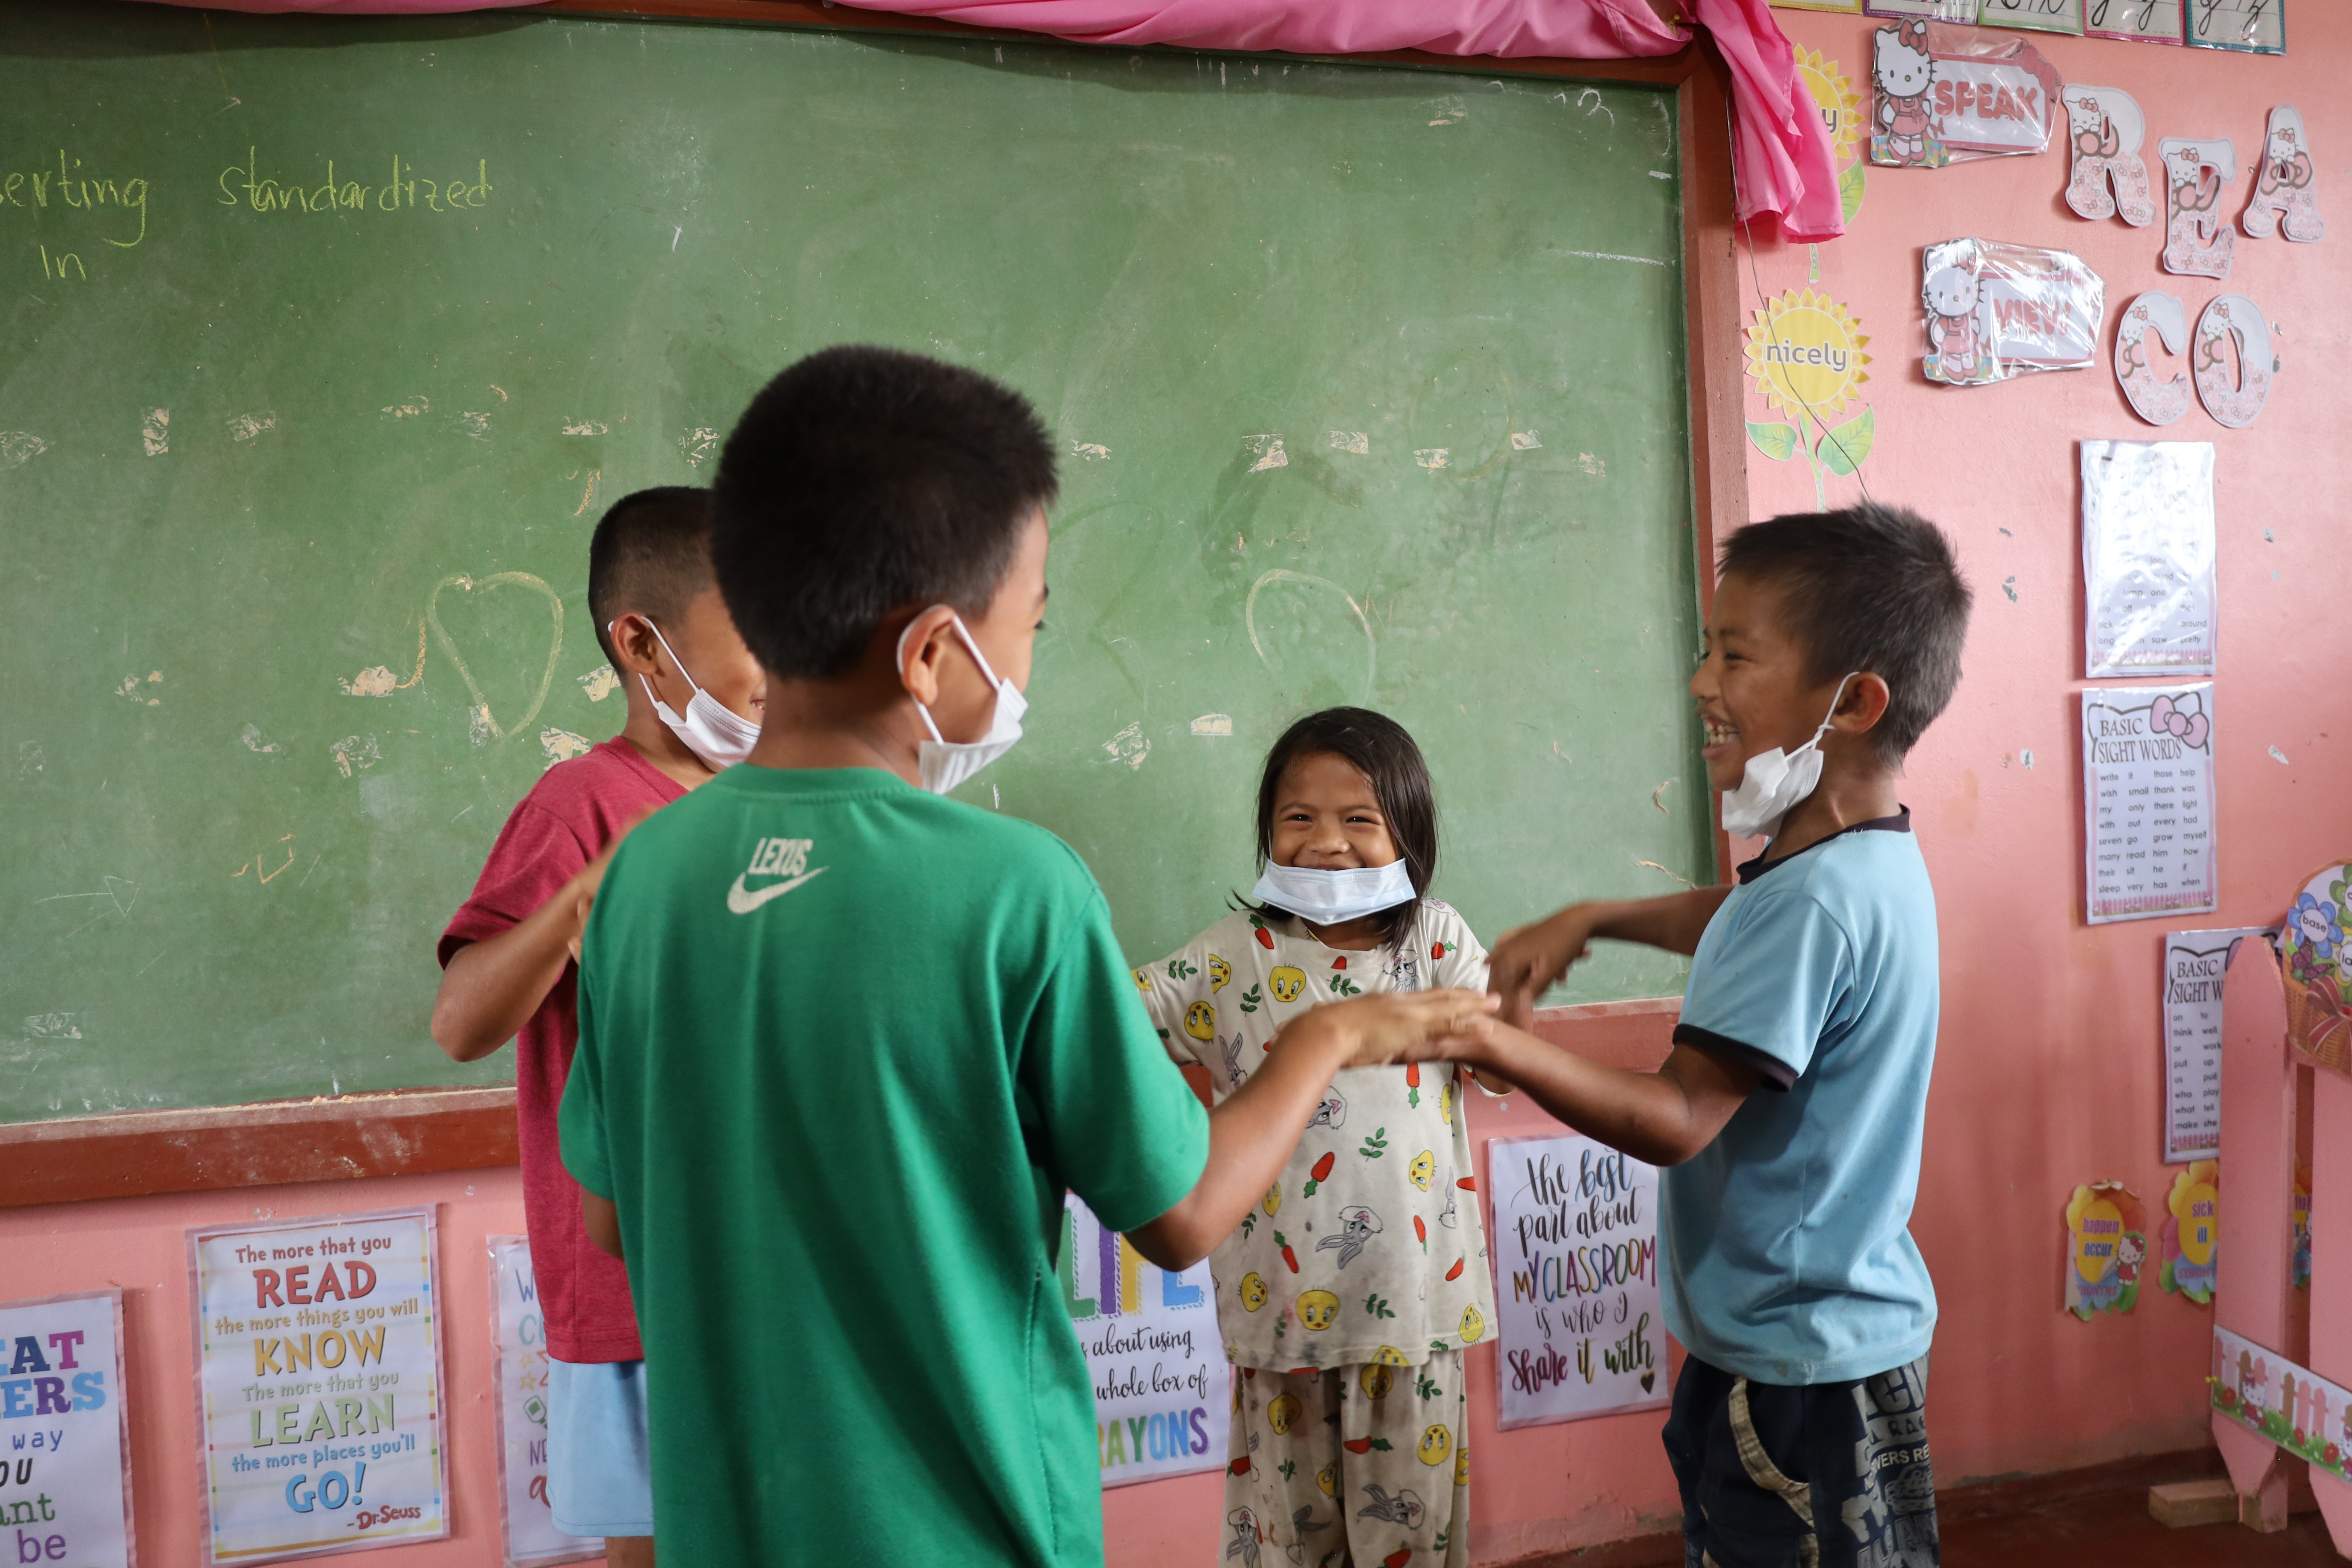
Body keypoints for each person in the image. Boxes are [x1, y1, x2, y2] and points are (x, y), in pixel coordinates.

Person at [554, 346, 1498, 1568]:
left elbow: (613, 1220)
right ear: (933, 653)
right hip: (973, 1531)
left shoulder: (644, 879)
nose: (1030, 661)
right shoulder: (1015, 885)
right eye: (1033, 624)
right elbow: (1184, 1213)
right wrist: (1329, 1033)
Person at [1423, 504, 1971, 1568]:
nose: (1701, 685)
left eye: (1735, 655)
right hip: (1830, 1340)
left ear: (1854, 702)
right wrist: (1598, 916)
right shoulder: (1859, 865)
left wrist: (1489, 1042)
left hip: (1795, 1368)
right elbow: (1734, 921)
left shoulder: (1811, 904)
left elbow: (1677, 1117)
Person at [430, 485, 764, 1566]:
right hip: (637, 1288)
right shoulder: (581, 804)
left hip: (782, 1267)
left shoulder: (790, 806)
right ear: (642, 644)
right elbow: (461, 1021)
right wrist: (580, 902)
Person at [1136, 707, 1507, 1568]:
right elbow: (1111, 1018)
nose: (1327, 843)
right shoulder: (1234, 955)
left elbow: (1506, 1064)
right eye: (1298, 818)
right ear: (1268, 831)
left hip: (1415, 1318)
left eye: (1360, 820)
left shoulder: (1436, 942)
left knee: (1410, 1544)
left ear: (1408, 831)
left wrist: (1492, 1023)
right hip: (1282, 1329)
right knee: (1290, 1546)